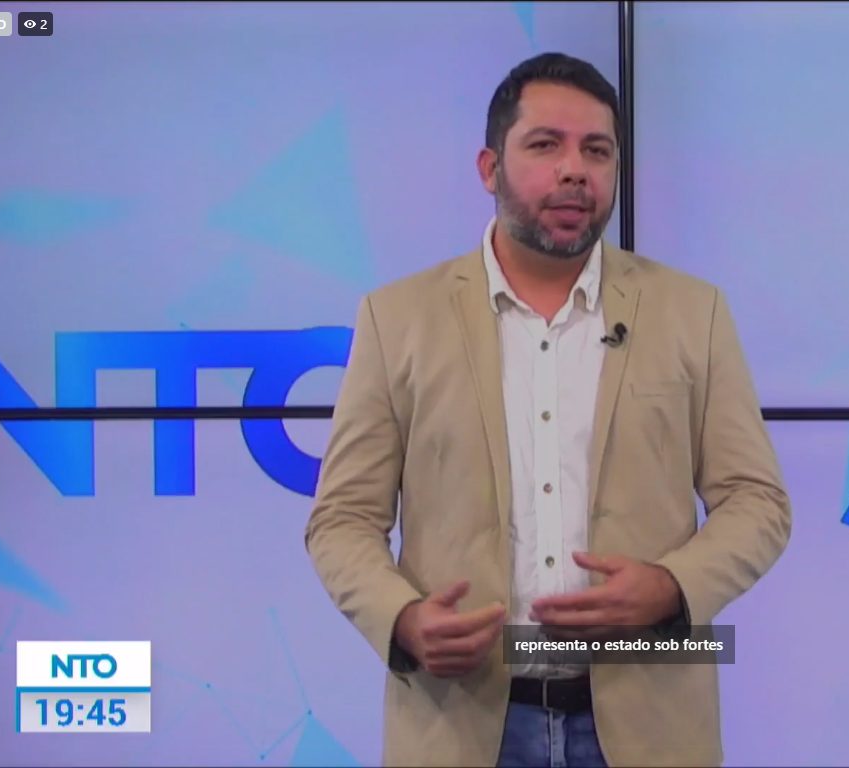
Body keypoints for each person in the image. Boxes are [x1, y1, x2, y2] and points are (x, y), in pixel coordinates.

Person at [304, 52, 791, 768]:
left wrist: (672, 588)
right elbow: (343, 519)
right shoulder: (397, 318)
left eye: (597, 151)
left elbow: (757, 502)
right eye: (545, 145)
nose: (575, 171)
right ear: (489, 168)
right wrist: (402, 619)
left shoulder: (693, 312)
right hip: (461, 725)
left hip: (649, 728)